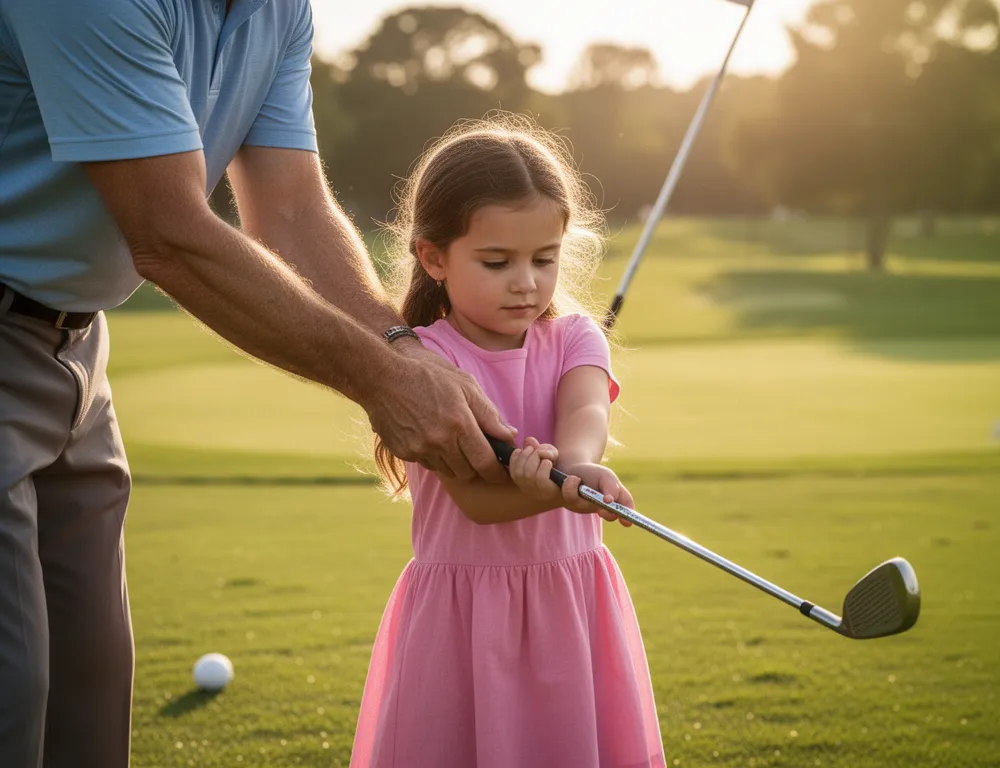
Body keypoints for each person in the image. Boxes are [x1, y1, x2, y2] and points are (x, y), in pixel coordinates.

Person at [0, 1, 514, 765]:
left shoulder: (279, 9)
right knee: (14, 691)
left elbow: (293, 208)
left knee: (90, 692)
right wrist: (383, 380)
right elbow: (170, 234)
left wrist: (400, 344)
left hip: (80, 349)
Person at [350, 116, 666, 768]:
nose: (526, 281)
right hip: (465, 616)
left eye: (544, 260)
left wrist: (578, 466)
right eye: (497, 262)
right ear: (433, 257)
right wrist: (558, 496)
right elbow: (479, 503)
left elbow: (585, 410)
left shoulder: (577, 336)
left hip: (572, 604)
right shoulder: (425, 366)